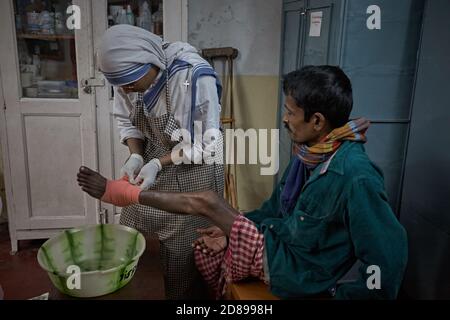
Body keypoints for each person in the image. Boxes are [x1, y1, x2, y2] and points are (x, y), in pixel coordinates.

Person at [78, 65, 408, 299]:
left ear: (318, 121)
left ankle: (121, 193)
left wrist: (341, 295)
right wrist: (229, 229)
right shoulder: (310, 154)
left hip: (298, 272)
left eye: (290, 112)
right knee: (205, 246)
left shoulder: (355, 176)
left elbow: (388, 258)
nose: (284, 118)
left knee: (207, 202)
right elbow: (273, 210)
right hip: (279, 246)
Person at [97, 25, 224, 299]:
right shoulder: (128, 81)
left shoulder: (191, 75)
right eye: (120, 84)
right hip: (159, 154)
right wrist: (136, 155)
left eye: (131, 81)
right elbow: (126, 121)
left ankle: (184, 298)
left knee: (183, 246)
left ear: (151, 61)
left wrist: (158, 163)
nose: (127, 88)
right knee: (131, 216)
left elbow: (206, 143)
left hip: (196, 165)